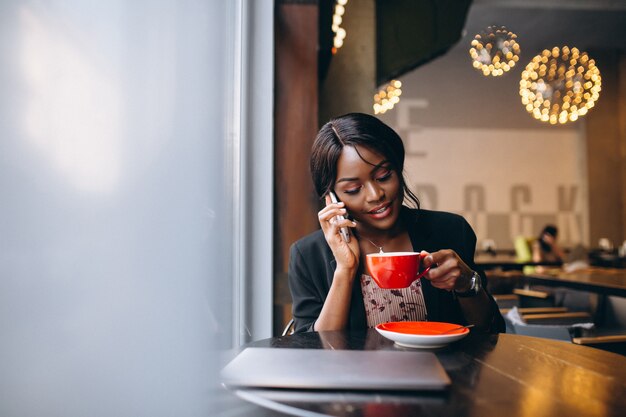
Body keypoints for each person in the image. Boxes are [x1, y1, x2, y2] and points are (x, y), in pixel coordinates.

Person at [288, 113, 505, 334]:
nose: (375, 194)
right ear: (332, 197)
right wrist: (345, 270)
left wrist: (467, 284)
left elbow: (491, 332)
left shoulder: (450, 231)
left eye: (383, 176)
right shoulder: (308, 255)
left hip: (442, 368)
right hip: (353, 370)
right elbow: (312, 350)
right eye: (353, 189)